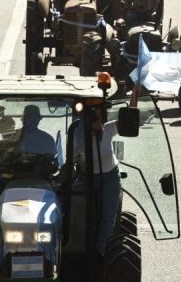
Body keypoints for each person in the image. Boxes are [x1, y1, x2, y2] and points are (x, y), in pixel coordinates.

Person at [72, 84, 140, 256]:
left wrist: (134, 95)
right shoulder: (78, 136)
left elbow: (129, 118)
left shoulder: (107, 130)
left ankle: (101, 253)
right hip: (85, 178)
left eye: (99, 119)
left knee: (107, 217)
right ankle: (78, 248)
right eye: (95, 120)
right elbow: (73, 154)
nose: (99, 122)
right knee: (77, 212)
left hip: (109, 178)